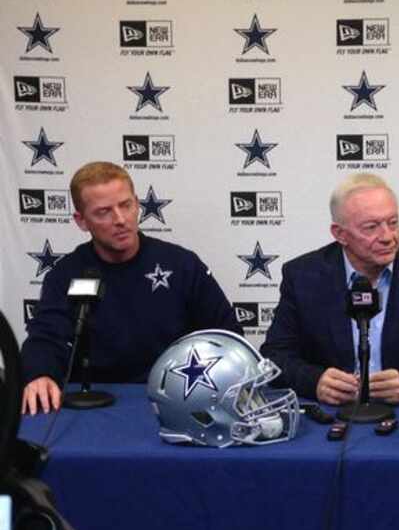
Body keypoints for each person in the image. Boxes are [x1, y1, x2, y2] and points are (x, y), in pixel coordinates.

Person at [21, 161, 241, 415]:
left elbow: (227, 336)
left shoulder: (182, 265)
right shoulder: (66, 274)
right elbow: (45, 337)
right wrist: (40, 374)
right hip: (95, 405)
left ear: (137, 204)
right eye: (103, 212)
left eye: (125, 205)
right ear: (81, 221)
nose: (120, 219)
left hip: (177, 402)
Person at [260, 173, 399, 405]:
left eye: (393, 223)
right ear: (340, 234)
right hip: (331, 417)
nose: (388, 237)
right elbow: (275, 356)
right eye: (371, 227)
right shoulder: (303, 275)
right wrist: (314, 382)